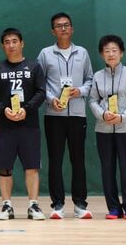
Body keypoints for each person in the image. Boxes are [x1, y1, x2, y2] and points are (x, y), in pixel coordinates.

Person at [36, 12, 94, 219]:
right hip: (54, 116)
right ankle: (58, 204)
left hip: (78, 115)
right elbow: (39, 83)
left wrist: (80, 91)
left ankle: (80, 204)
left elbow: (90, 79)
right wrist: (51, 99)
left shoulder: (82, 53)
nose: (63, 28)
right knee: (55, 160)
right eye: (59, 26)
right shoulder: (45, 54)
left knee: (78, 160)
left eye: (66, 25)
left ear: (72, 29)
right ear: (53, 31)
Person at [0, 28, 47, 220]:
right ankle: (6, 206)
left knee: (31, 166)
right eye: (7, 42)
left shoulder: (34, 67)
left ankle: (33, 205)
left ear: (22, 43)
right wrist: (3, 110)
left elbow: (41, 92)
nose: (11, 45)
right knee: (4, 166)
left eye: (14, 41)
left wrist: (26, 109)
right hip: (5, 126)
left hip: (29, 125)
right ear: (2, 46)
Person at [88, 34, 126, 220]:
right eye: (107, 51)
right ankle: (113, 208)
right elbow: (93, 100)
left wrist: (122, 117)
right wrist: (103, 115)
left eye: (114, 50)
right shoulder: (97, 76)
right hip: (103, 129)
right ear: (102, 54)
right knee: (107, 169)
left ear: (121, 53)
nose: (111, 54)